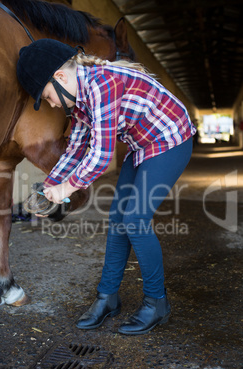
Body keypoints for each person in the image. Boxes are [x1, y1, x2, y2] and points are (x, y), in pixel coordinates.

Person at [17, 39, 196, 335]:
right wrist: (49, 187)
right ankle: (108, 298)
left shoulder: (102, 84)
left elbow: (100, 156)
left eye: (47, 97)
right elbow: (76, 149)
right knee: (118, 220)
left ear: (60, 78)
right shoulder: (81, 102)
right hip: (141, 145)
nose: (50, 104)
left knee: (135, 220)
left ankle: (157, 302)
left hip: (170, 140)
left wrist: (67, 189)